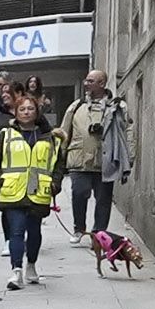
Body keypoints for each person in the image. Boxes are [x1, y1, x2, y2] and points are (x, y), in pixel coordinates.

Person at [0, 93, 64, 289]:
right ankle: (16, 271)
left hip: (38, 190)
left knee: (34, 231)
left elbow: (59, 164)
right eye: (22, 109)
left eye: (30, 109)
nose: (26, 112)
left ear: (37, 112)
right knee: (16, 231)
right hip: (12, 190)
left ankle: (31, 265)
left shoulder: (51, 138)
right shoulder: (5, 135)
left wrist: (55, 184)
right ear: (15, 112)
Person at [61, 70, 131, 241]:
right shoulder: (76, 106)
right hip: (79, 159)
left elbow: (127, 131)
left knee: (103, 200)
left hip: (105, 160)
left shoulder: (118, 107)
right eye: (86, 80)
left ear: (102, 83)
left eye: (91, 81)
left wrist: (129, 159)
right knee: (79, 193)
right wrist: (60, 155)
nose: (86, 83)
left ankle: (99, 234)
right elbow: (64, 131)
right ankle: (79, 228)